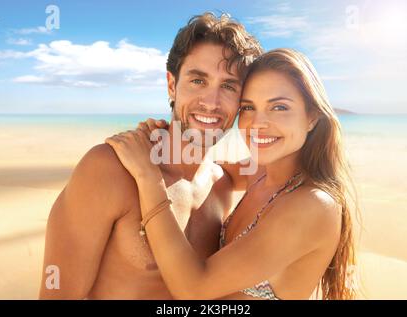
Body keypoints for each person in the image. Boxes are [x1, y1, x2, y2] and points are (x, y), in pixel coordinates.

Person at [39, 12, 262, 299]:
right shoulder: (109, 169)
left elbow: (296, 167)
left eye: (228, 86)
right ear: (172, 85)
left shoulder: (225, 185)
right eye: (197, 81)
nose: (211, 102)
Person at [106, 48, 358, 300]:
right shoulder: (260, 172)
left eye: (279, 107)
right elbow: (211, 168)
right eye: (248, 108)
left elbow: (193, 289)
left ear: (312, 117)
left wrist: (148, 177)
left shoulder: (312, 205)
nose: (258, 123)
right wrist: (165, 142)